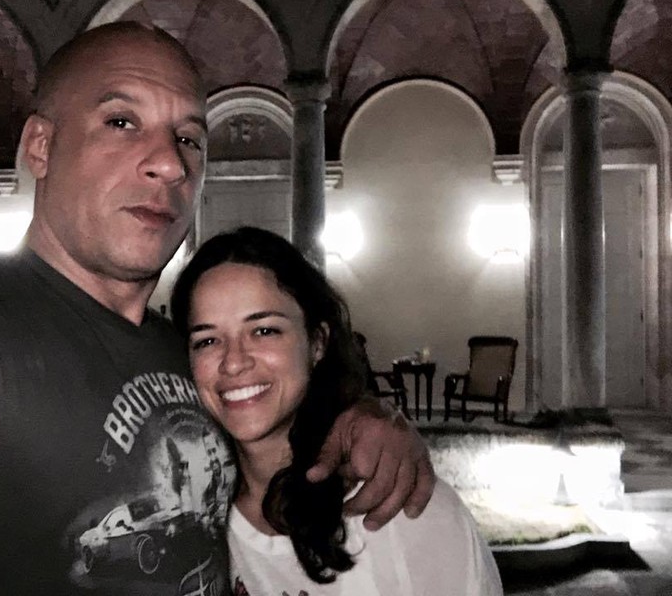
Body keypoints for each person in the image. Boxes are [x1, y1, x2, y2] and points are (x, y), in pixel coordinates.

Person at [0, 22, 435, 595]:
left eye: (188, 139)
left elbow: (273, 438)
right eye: (121, 122)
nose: (170, 164)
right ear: (41, 146)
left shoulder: (192, 353)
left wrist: (360, 417)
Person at [171, 226, 503, 596]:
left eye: (264, 331)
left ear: (317, 342)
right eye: (208, 340)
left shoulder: (401, 510)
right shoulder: (189, 517)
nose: (233, 362)